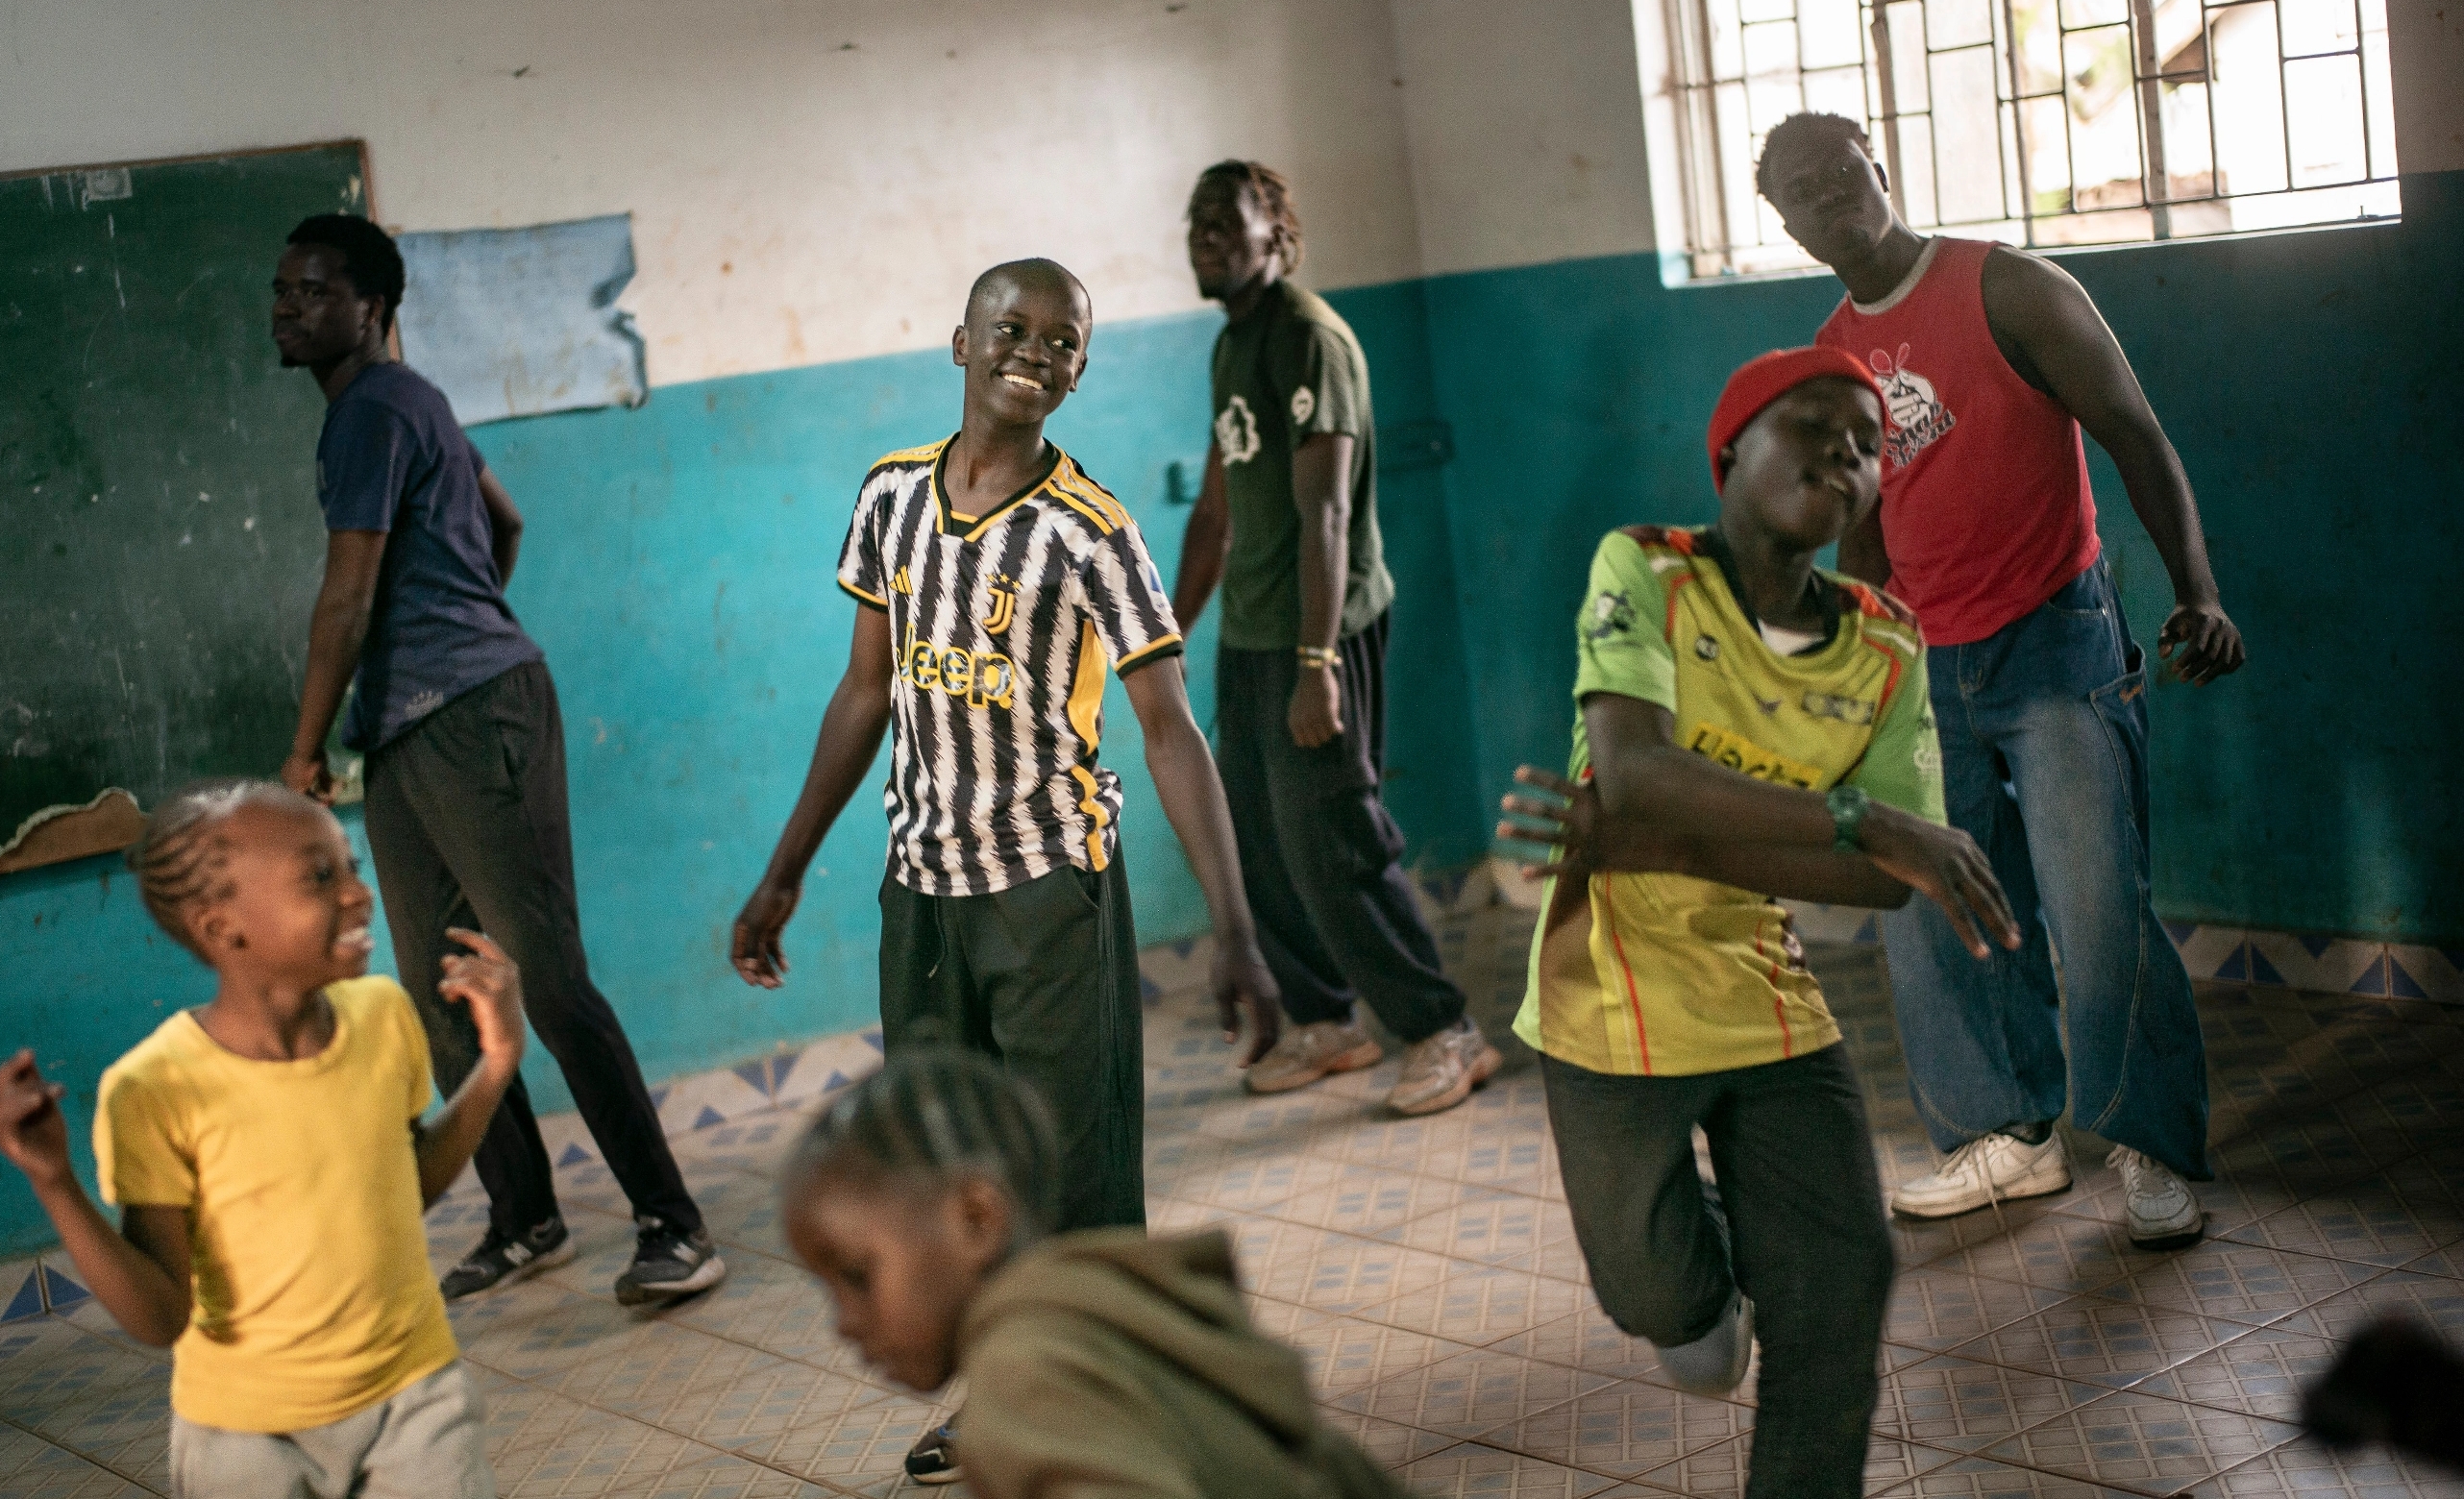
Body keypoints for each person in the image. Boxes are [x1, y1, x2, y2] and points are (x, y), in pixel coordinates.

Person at [731, 259, 1283, 1485]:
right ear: (959, 343)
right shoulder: (888, 500)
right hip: (919, 893)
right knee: (949, 1171)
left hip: (1046, 892)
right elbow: (864, 691)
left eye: (1061, 340)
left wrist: (1236, 928)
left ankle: (1110, 1403)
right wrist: (784, 872)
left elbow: (1169, 730)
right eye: (1009, 328)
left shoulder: (1092, 532)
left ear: (1080, 368)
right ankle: (1002, 1398)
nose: (1032, 351)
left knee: (1071, 1172)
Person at [1495, 349, 2021, 1499]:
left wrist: (1653, 836)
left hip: (1763, 998)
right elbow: (1636, 774)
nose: (1843, 453)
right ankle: (1703, 1276)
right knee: (1667, 1317)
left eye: (1865, 445)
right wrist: (1854, 817)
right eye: (1811, 428)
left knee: (1840, 1282)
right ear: (1730, 451)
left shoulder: (1883, 643)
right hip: (1606, 1002)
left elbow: (1892, 883)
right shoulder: (1645, 569)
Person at [1759, 112, 2242, 1245]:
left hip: (2052, 638)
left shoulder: (2008, 287)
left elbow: (2132, 432)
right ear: (1781, 221)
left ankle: (2146, 1146)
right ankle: (2005, 1139)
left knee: (2093, 903)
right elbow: (1860, 537)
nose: (1831, 201)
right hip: (1921, 662)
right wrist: (1850, 680)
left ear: (1878, 166)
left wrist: (2198, 591)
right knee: (1937, 905)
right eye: (1802, 193)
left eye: (1842, 175)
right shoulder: (1829, 355)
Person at [270, 213, 721, 1304]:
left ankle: (674, 1224)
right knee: (437, 987)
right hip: (422, 723)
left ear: (372, 309)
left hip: (471, 717)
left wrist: (302, 750)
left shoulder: (375, 409)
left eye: (314, 291)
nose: (287, 307)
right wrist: (463, 629)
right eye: (282, 289)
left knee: (548, 976)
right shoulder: (404, 402)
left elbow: (348, 595)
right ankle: (525, 1218)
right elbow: (502, 523)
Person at [0, 779, 521, 1499]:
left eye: (350, 868)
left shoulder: (384, 1015)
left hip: (415, 1398)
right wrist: (55, 1182)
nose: (359, 895)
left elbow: (407, 1181)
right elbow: (162, 1314)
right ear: (219, 927)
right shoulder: (156, 1088)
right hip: (247, 1437)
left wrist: (496, 1066)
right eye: (320, 877)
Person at [1174, 160, 1494, 1116]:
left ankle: (1444, 1030)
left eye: (1226, 223)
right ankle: (1324, 1021)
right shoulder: (1232, 347)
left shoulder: (1310, 339)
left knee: (1333, 838)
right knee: (1258, 835)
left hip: (1322, 630)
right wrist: (1162, 633)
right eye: (1195, 224)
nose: (1206, 238)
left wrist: (1316, 665)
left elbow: (1323, 516)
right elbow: (1216, 512)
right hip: (1253, 631)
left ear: (1275, 231)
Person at [781, 1048, 1413, 1499]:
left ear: (976, 1219)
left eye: (859, 1276)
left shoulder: (1024, 1373)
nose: (843, 1323)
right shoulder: (1094, 1300)